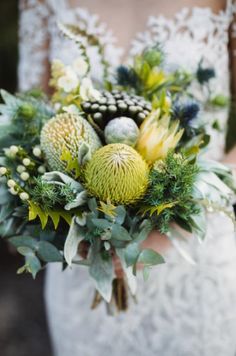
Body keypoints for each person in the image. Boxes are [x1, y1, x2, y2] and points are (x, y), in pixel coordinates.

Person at [18, 1, 236, 355]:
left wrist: (176, 224)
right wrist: (70, 219)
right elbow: (32, 124)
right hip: (87, 270)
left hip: (197, 259)